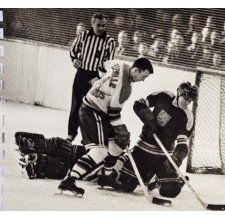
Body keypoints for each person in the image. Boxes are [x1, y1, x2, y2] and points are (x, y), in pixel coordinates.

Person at [58, 57, 154, 195]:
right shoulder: (125, 89)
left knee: (119, 144)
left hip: (97, 110)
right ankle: (69, 180)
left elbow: (102, 64)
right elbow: (113, 115)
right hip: (92, 112)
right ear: (135, 70)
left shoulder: (119, 64)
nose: (143, 80)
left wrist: (100, 79)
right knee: (100, 151)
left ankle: (106, 177)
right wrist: (122, 130)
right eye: (143, 76)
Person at [97, 82, 197, 198]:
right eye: (186, 98)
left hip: (163, 155)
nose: (187, 103)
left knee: (170, 191)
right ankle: (151, 178)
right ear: (179, 92)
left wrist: (175, 161)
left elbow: (182, 145)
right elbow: (139, 104)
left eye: (190, 100)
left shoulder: (187, 116)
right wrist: (149, 120)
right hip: (142, 150)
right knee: (127, 185)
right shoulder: (163, 96)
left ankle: (160, 180)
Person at [67, 13, 116, 143]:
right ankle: (71, 135)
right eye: (98, 25)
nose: (101, 28)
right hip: (81, 74)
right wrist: (74, 60)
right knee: (76, 105)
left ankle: (87, 139)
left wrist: (99, 78)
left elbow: (110, 64)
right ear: (92, 23)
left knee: (91, 109)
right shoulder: (83, 35)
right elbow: (73, 50)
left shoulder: (110, 42)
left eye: (103, 26)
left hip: (96, 78)